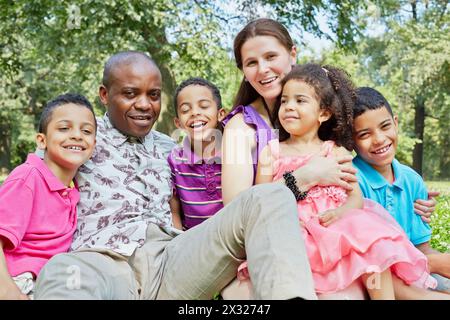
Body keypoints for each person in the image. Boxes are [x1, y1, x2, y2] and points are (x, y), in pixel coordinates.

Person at [34, 51, 318, 300]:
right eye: (131, 94)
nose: (145, 104)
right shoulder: (82, 135)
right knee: (62, 270)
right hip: (103, 260)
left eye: (153, 95)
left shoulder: (172, 148)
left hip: (173, 260)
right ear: (105, 95)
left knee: (270, 195)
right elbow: (28, 189)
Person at [238, 63, 448, 299]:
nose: (288, 107)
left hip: (339, 228)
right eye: (284, 101)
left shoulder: (335, 152)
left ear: (323, 113)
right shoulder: (272, 152)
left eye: (300, 101)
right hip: (299, 231)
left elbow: (355, 195)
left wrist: (342, 212)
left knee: (373, 249)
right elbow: (260, 198)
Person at [352, 87, 450, 292]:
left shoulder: (412, 180)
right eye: (364, 134)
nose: (379, 139)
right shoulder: (354, 182)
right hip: (376, 280)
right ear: (351, 141)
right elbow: (366, 258)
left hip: (416, 270)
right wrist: (434, 263)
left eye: (385, 126)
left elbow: (421, 246)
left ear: (395, 123)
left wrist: (438, 264)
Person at [0, 93, 96, 300]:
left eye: (86, 131)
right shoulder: (28, 178)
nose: (77, 135)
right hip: (17, 280)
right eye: (64, 128)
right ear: (42, 140)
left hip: (54, 280)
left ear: (94, 145)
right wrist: (7, 290)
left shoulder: (77, 187)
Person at [168, 77, 226, 230]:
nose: (195, 113)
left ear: (220, 114)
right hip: (193, 243)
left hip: (232, 239)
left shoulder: (234, 153)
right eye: (186, 110)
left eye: (204, 106)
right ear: (178, 123)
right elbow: (174, 211)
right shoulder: (175, 161)